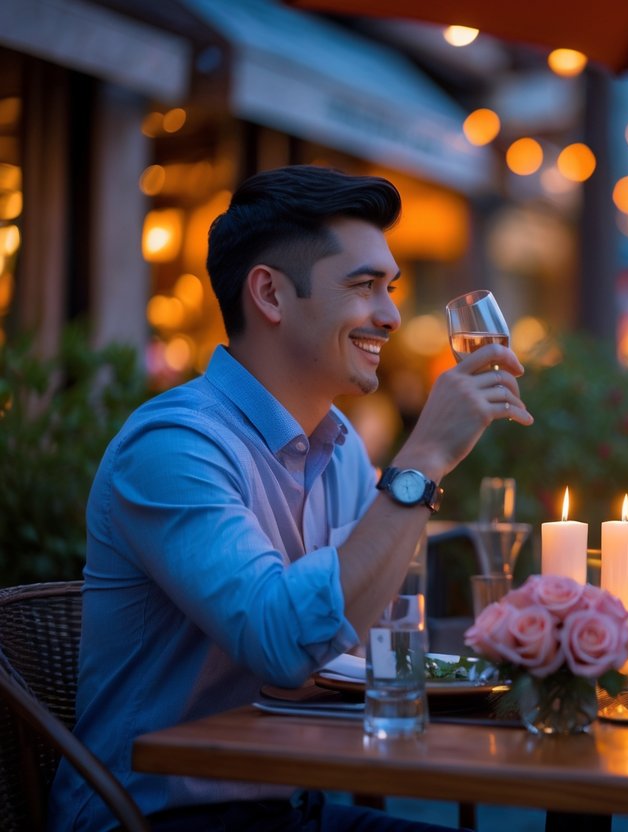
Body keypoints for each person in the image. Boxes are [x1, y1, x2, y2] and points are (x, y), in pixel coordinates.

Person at [49, 165, 533, 831]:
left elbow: (367, 641)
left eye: (390, 288)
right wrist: (424, 460)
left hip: (289, 804)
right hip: (156, 816)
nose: (391, 316)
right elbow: (282, 644)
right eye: (365, 287)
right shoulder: (172, 448)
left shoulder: (341, 455)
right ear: (270, 295)